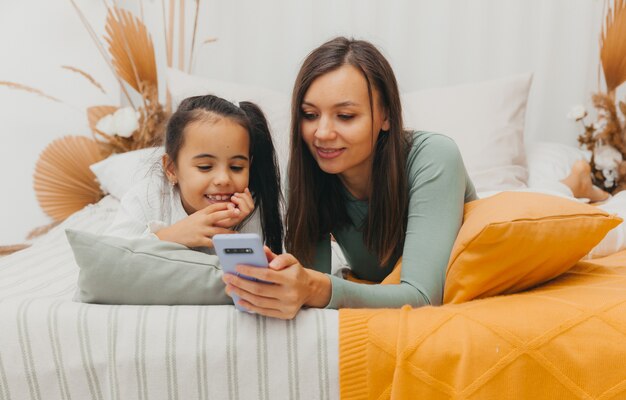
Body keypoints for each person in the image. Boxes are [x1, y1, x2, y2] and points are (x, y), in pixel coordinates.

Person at [222, 37, 478, 319]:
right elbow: (310, 283)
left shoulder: (435, 157)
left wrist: (317, 288)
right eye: (309, 114)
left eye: (344, 116)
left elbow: (422, 296)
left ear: (386, 116)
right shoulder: (309, 172)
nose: (322, 133)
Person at [105, 94, 284, 255]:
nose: (223, 179)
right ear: (171, 169)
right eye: (205, 167)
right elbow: (106, 260)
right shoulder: (147, 198)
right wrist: (172, 236)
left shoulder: (251, 208)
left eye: (236, 167)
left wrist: (228, 234)